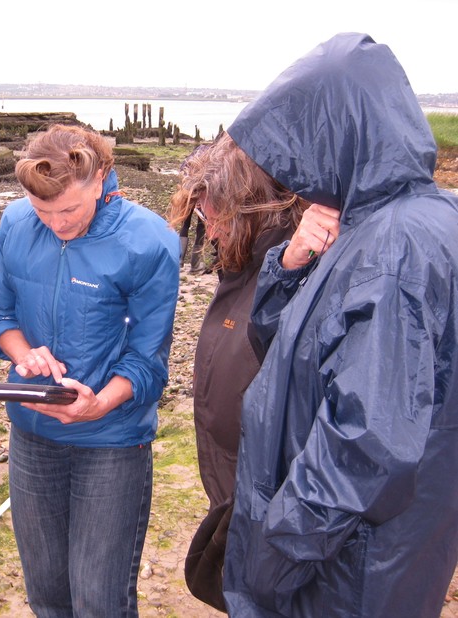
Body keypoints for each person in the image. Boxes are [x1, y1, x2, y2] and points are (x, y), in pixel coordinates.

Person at [217, 33, 458, 617]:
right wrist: (290, 268)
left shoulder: (394, 248)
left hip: (346, 568)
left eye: (298, 146)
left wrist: (274, 556)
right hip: (372, 549)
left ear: (337, 135)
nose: (292, 174)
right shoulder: (403, 220)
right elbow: (293, 348)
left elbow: (367, 442)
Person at [0, 124, 180, 616]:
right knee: (46, 593)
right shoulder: (16, 223)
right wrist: (23, 352)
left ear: (103, 177)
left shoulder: (150, 241)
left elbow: (148, 359)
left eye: (69, 209)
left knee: (99, 600)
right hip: (31, 433)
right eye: (43, 211)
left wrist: (99, 404)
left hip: (111, 442)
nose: (57, 224)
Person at [168, 134, 340, 611]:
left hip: (271, 501)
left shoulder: (298, 266)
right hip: (231, 486)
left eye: (213, 213)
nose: (210, 229)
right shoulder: (242, 267)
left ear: (250, 205)